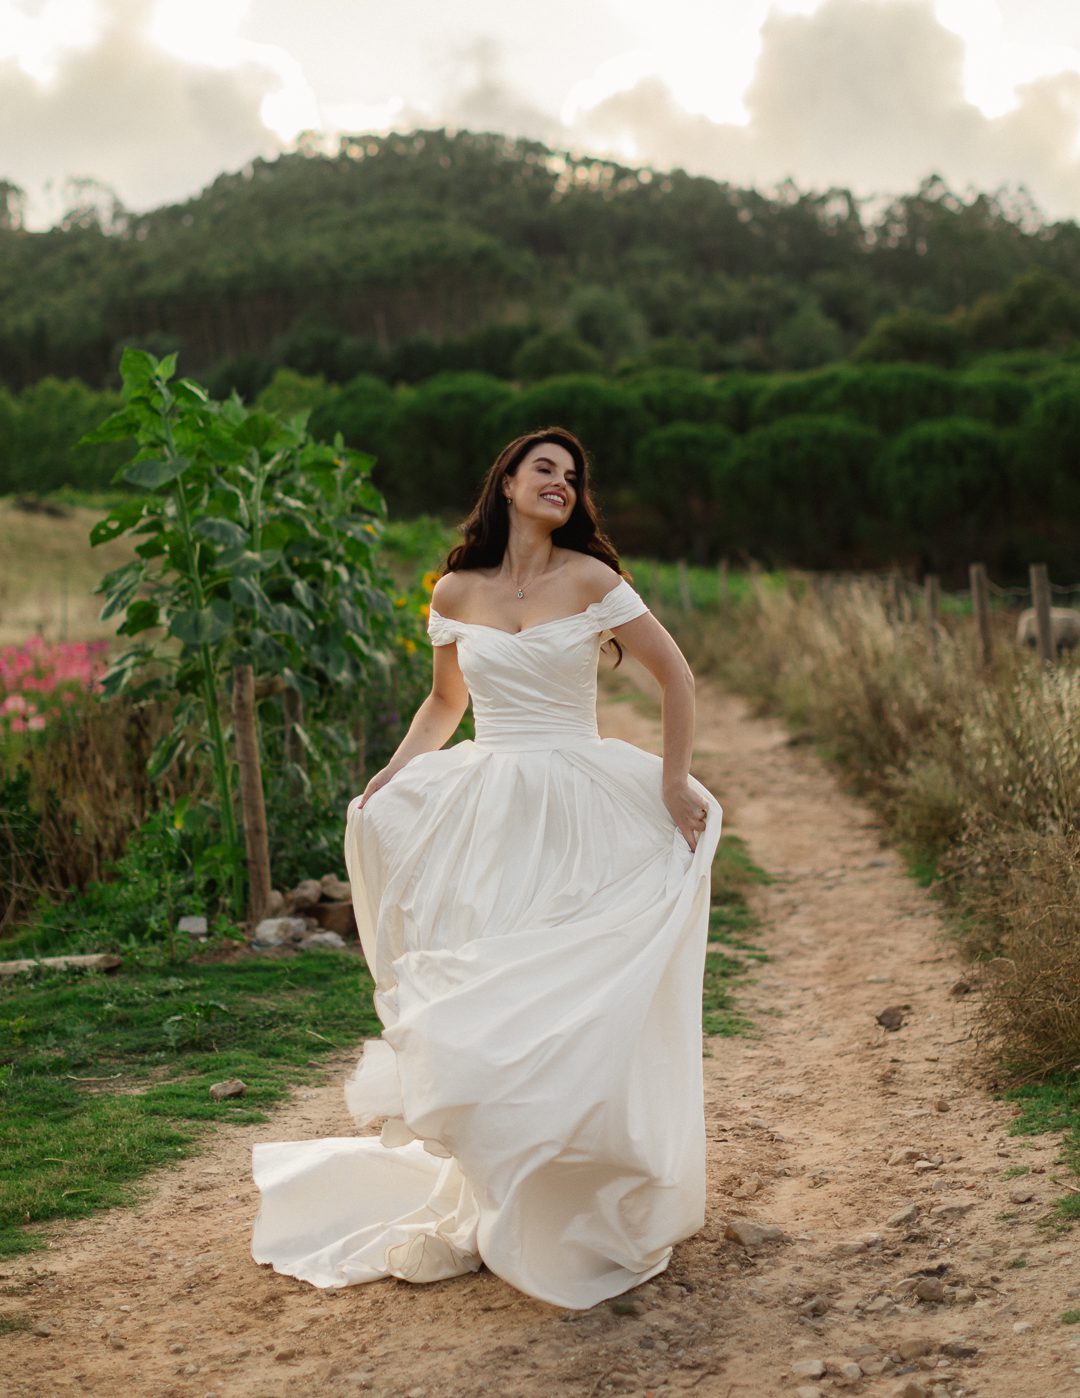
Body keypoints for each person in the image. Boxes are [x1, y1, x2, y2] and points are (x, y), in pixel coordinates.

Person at [251, 425, 723, 1310]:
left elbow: (678, 677)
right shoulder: (456, 590)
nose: (562, 483)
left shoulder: (592, 580)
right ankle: (501, 1191)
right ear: (506, 481)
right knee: (489, 994)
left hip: (580, 803)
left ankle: (577, 1192)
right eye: (545, 468)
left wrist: (671, 781)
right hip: (493, 811)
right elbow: (445, 702)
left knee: (565, 993)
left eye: (573, 476)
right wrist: (392, 776)